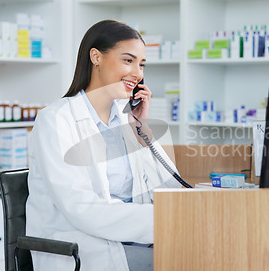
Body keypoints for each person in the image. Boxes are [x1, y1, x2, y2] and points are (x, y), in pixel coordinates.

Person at [25, 19, 182, 271]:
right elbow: (82, 208)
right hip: (85, 249)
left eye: (141, 65)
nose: (137, 73)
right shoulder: (56, 120)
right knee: (194, 261)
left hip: (133, 240)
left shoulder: (125, 122)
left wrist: (144, 133)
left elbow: (169, 188)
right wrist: (166, 221)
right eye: (128, 60)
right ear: (96, 57)